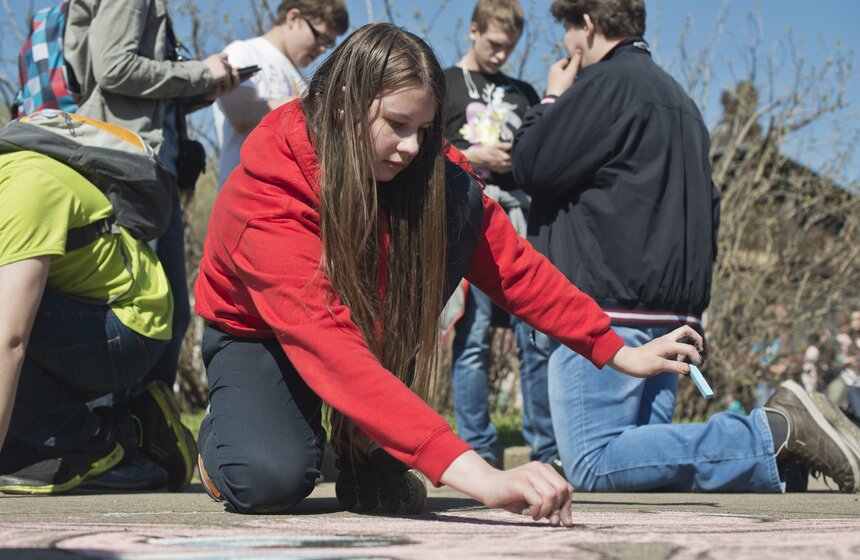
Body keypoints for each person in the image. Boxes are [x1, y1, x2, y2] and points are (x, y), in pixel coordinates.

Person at [193, 23, 709, 520]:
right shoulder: (265, 194)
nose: (413, 147)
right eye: (396, 124)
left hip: (358, 329)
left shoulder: (423, 166)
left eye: (423, 128)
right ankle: (230, 431)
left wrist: (615, 348)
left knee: (458, 199)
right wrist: (485, 479)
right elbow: (328, 345)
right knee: (268, 481)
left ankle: (361, 443)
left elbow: (514, 266)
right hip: (258, 334)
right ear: (344, 104)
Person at [512, 0, 860, 493]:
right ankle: (783, 458)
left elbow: (531, 164)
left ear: (586, 25)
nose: (567, 48)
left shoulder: (603, 87)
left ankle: (776, 431)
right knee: (644, 469)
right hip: (674, 317)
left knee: (592, 461)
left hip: (606, 309)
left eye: (568, 32)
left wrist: (550, 98)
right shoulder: (680, 101)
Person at [63, 0, 240, 488]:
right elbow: (114, 68)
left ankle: (140, 441)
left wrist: (204, 86)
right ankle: (105, 444)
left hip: (144, 162)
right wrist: (199, 73)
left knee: (169, 314)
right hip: (122, 162)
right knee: (131, 312)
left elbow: (128, 81)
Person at [0, 138, 191, 495]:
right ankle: (135, 421)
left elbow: (9, 341)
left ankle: (97, 440)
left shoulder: (21, 190)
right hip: (91, 313)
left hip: (133, 324)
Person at [442, 0, 557, 468]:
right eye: (493, 44)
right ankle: (478, 449)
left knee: (535, 335)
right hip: (465, 217)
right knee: (472, 339)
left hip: (519, 223)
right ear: (473, 31)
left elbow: (543, 157)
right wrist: (476, 151)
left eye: (508, 48)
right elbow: (421, 146)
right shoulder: (445, 85)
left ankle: (547, 450)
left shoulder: (522, 92)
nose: (499, 56)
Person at [212, 0, 349, 189]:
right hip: (246, 197)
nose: (323, 49)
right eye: (322, 38)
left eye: (330, 44)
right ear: (294, 17)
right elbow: (242, 116)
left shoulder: (301, 79)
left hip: (287, 203)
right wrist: (317, 100)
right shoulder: (243, 52)